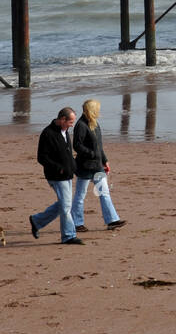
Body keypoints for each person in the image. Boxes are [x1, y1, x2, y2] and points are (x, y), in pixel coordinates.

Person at [29, 107, 83, 245]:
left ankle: (37, 220)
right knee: (66, 207)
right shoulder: (48, 133)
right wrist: (58, 168)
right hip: (56, 176)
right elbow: (41, 157)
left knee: (64, 204)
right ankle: (69, 236)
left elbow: (67, 153)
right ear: (62, 119)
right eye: (70, 122)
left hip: (68, 174)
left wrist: (73, 166)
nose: (72, 125)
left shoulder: (65, 131)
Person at [71, 98, 126, 232]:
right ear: (92, 110)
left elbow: (99, 146)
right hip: (84, 167)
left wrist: (104, 160)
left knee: (104, 193)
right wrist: (91, 154)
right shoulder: (81, 125)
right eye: (97, 109)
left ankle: (112, 220)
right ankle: (77, 223)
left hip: (97, 167)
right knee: (80, 195)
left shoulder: (95, 124)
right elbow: (77, 145)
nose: (99, 111)